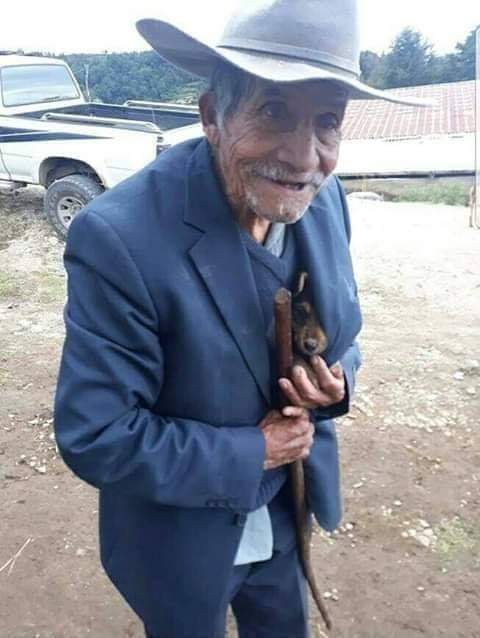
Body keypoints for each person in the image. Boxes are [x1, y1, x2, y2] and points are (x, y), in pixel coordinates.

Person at [54, 1, 427, 636]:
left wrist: (337, 381)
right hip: (181, 536)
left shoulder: (323, 194)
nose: (304, 156)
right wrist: (256, 449)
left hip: (288, 514)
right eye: (274, 111)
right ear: (212, 117)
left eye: (327, 123)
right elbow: (97, 433)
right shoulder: (118, 239)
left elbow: (345, 330)